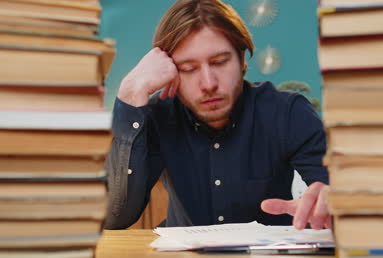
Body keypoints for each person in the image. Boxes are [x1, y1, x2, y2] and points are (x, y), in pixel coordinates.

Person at [104, 0, 331, 230]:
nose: (209, 84)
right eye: (189, 69)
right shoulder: (158, 116)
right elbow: (115, 216)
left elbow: (335, 194)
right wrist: (131, 91)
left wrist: (331, 198)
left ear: (242, 60)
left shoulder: (287, 112)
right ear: (171, 73)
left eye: (220, 62)